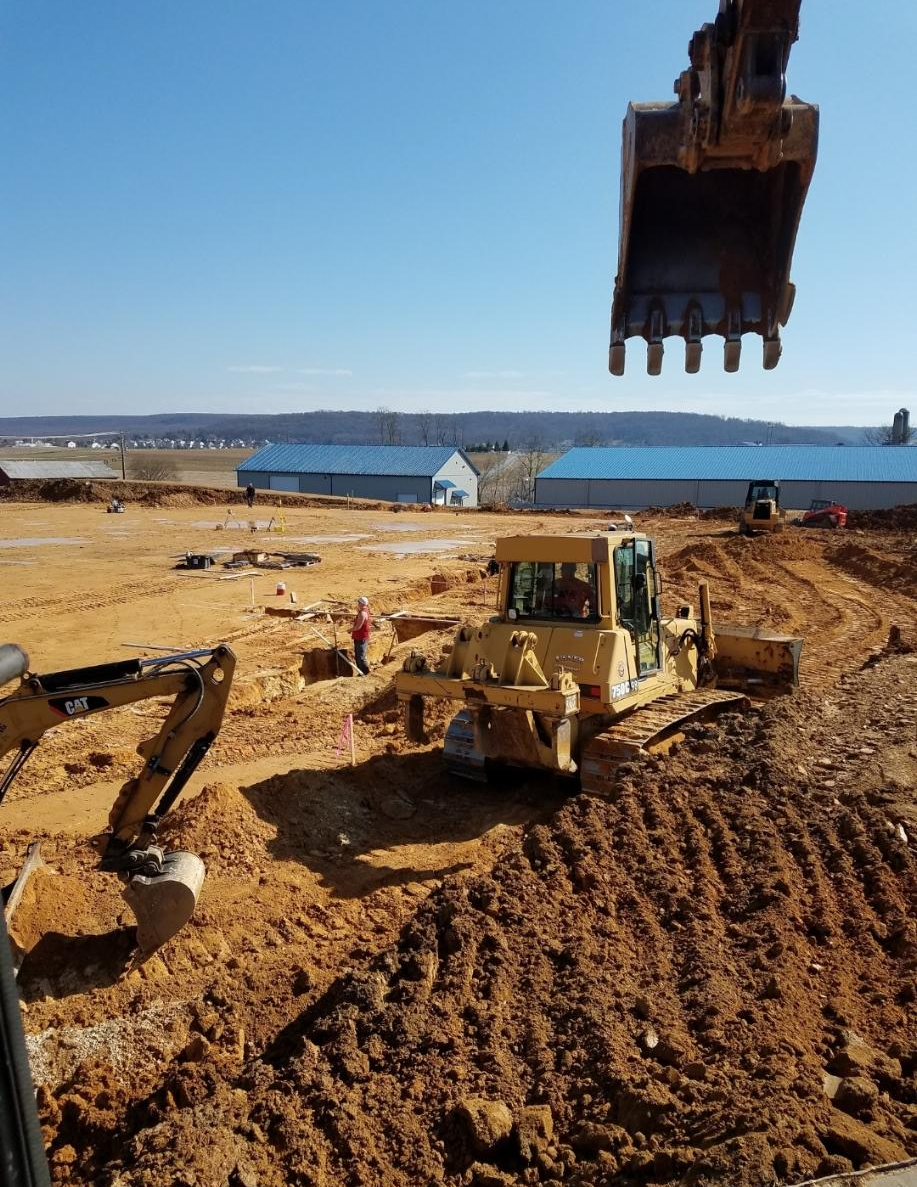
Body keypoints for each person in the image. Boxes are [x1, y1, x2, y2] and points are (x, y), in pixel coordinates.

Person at [350, 595, 372, 675]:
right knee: (358, 656)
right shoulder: (364, 611)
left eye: (358, 603)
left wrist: (350, 630)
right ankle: (361, 672)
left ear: (361, 604)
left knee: (361, 657)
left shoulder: (362, 613)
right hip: (360, 637)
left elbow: (358, 627)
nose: (357, 604)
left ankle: (365, 673)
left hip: (361, 637)